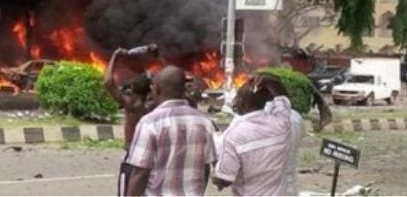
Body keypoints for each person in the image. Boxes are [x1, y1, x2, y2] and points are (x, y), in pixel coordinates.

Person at [125, 66, 216, 196]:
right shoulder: (204, 122)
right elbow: (205, 169)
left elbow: (140, 174)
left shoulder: (150, 123)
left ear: (156, 89)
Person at [213, 74, 294, 196]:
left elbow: (224, 179)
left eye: (236, 97)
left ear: (241, 102)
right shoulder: (281, 123)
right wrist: (270, 81)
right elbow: (283, 98)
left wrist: (216, 157)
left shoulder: (233, 136)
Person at [105, 46, 157, 196]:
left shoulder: (131, 104)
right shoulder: (155, 105)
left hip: (132, 154)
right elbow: (169, 80)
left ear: (133, 90)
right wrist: (155, 55)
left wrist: (115, 56)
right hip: (152, 156)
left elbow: (108, 82)